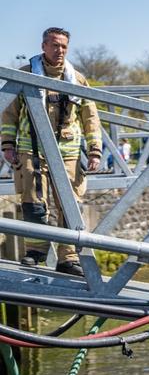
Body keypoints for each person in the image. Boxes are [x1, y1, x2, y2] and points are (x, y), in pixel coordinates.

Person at [1, 27, 102, 277]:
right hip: (31, 150)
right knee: (33, 203)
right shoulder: (25, 75)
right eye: (55, 45)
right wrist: (8, 145)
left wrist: (95, 151)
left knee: (70, 205)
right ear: (43, 46)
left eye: (64, 46)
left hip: (68, 153)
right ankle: (36, 252)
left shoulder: (77, 79)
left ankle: (68, 258)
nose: (60, 51)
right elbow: (9, 113)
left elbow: (91, 118)